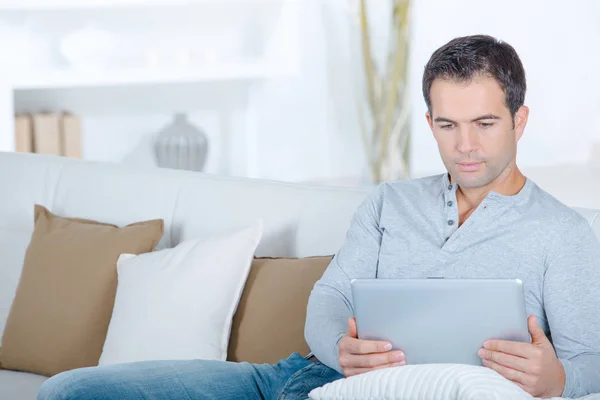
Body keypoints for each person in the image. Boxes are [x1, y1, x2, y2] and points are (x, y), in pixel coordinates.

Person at [38, 34, 600, 400]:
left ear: (519, 120)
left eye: (484, 123)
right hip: (296, 378)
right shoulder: (388, 203)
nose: (465, 146)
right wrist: (339, 348)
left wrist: (559, 381)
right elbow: (328, 300)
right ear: (429, 124)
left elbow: (590, 359)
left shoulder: (562, 235)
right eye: (447, 126)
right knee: (71, 392)